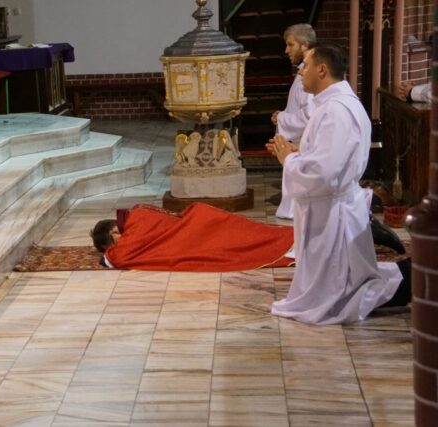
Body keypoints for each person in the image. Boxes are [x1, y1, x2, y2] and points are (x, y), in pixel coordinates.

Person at [268, 44, 410, 325]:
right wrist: (299, 150)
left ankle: (410, 281)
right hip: (332, 207)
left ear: (322, 70)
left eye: (306, 65)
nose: (301, 71)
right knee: (345, 279)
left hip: (333, 212)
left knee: (343, 289)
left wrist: (289, 160)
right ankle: (409, 280)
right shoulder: (334, 104)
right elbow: (331, 155)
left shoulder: (336, 110)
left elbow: (324, 173)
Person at [90, 203, 295, 272]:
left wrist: (108, 255)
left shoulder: (136, 222)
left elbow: (119, 257)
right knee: (251, 234)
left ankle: (290, 242)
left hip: (199, 230)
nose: (117, 245)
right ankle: (292, 239)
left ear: (114, 232)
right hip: (202, 222)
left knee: (241, 242)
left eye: (112, 243)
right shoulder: (137, 211)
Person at [271, 23, 316, 219]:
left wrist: (283, 118)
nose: (286, 50)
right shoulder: (302, 73)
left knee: (301, 208)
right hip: (299, 144)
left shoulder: (311, 75)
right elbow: (300, 108)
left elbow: (309, 115)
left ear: (304, 45)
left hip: (305, 144)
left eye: (291, 45)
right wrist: (282, 115)